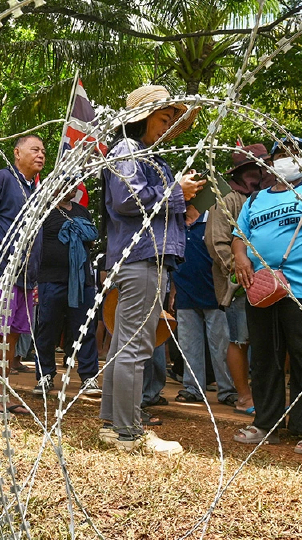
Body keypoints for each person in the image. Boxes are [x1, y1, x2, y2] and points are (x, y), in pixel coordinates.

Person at [100, 85, 202, 453]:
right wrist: (177, 193)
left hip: (144, 257)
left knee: (124, 344)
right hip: (140, 257)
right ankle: (129, 433)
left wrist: (181, 203)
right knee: (135, 345)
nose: (168, 126)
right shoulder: (128, 150)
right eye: (163, 118)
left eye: (172, 119)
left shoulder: (145, 154)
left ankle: (113, 425)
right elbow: (127, 200)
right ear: (142, 118)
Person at [231, 147, 302, 457]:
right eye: (280, 153)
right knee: (265, 358)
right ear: (270, 163)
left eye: (294, 153)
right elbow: (239, 235)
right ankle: (266, 423)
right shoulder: (256, 199)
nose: (286, 159)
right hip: (261, 289)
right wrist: (240, 256)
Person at [0, 135, 45, 415]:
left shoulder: (35, 190)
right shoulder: (2, 179)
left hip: (26, 275)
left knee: (13, 334)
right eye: (34, 149)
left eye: (43, 151)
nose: (40, 155)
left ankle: (1, 394)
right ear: (17, 153)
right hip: (0, 270)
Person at [205, 144, 272, 415]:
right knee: (240, 338)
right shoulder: (228, 201)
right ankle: (243, 397)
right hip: (240, 287)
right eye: (256, 168)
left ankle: (266, 397)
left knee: (266, 341)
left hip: (273, 284)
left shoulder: (270, 198)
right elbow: (216, 241)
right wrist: (239, 270)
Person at [32, 184, 102, 398]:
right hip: (50, 280)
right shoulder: (43, 211)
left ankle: (89, 376)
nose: (73, 187)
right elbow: (35, 244)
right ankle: (45, 374)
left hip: (82, 281)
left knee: (85, 328)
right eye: (68, 182)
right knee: (47, 327)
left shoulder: (82, 211)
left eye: (75, 183)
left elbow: (91, 237)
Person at [173, 205, 238, 406]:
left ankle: (227, 390)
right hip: (185, 294)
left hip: (214, 295)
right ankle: (193, 388)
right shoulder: (175, 226)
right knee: (188, 345)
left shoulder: (212, 222)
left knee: (221, 346)